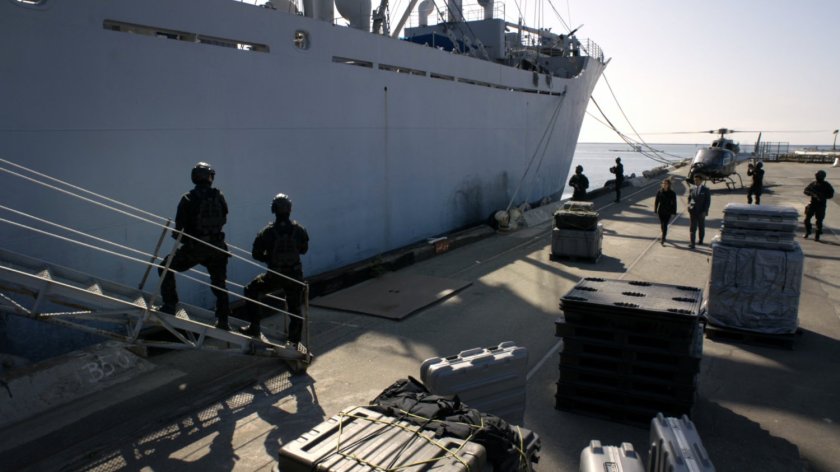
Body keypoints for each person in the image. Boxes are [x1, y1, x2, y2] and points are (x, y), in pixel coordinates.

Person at [158, 162, 231, 329]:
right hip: (218, 247)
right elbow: (224, 218)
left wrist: (188, 240)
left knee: (164, 268)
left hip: (196, 248)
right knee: (220, 284)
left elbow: (179, 230)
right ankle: (223, 320)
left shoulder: (188, 198)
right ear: (210, 177)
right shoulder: (219, 195)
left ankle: (170, 305)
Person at [241, 193, 309, 344]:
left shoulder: (267, 232)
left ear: (273, 210)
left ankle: (254, 327)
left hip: (275, 276)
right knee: (295, 310)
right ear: (290, 209)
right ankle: (294, 343)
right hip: (295, 276)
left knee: (250, 289)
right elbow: (304, 250)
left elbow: (256, 254)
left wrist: (271, 259)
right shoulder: (299, 230)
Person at [803, 170, 835, 241]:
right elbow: (806, 191)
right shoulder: (813, 184)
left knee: (819, 221)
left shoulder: (826, 185)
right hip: (812, 204)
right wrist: (813, 194)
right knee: (807, 220)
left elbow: (831, 194)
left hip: (821, 205)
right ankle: (808, 231)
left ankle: (817, 235)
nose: (816, 177)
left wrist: (822, 196)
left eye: (818, 176)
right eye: (816, 175)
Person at [687, 174, 711, 249]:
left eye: (697, 180)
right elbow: (689, 199)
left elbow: (707, 202)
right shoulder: (692, 189)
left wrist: (705, 211)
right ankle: (692, 243)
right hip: (693, 212)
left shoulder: (706, 190)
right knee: (692, 228)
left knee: (701, 227)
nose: (696, 181)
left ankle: (701, 240)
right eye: (695, 180)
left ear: (701, 181)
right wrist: (689, 207)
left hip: (701, 212)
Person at [654, 178, 677, 245]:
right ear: (662, 184)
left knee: (665, 224)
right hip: (661, 211)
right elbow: (656, 202)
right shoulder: (659, 192)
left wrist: (674, 212)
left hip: (668, 211)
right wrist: (655, 210)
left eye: (666, 184)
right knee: (662, 225)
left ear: (668, 185)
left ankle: (663, 238)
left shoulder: (672, 193)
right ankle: (664, 235)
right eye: (663, 183)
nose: (664, 185)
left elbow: (674, 203)